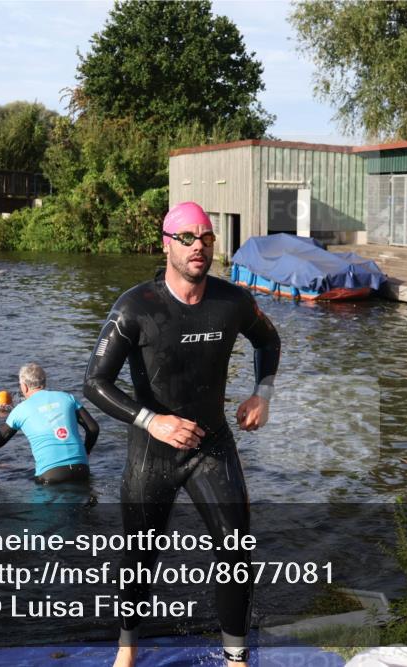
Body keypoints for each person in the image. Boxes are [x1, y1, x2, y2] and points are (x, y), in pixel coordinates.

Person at [83, 201, 281, 667]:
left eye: (207, 238)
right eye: (188, 238)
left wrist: (262, 394)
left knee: (236, 548)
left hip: (211, 444)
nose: (199, 246)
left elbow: (268, 340)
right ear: (167, 244)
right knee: (140, 555)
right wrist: (153, 421)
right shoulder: (136, 307)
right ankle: (127, 649)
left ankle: (236, 659)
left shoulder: (231, 301)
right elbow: (94, 382)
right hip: (153, 449)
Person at [0, 363, 99, 484]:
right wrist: (86, 451)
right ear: (44, 383)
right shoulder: (68, 398)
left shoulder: (20, 410)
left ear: (24, 387)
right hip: (82, 469)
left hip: (50, 474)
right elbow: (93, 428)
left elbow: (2, 437)